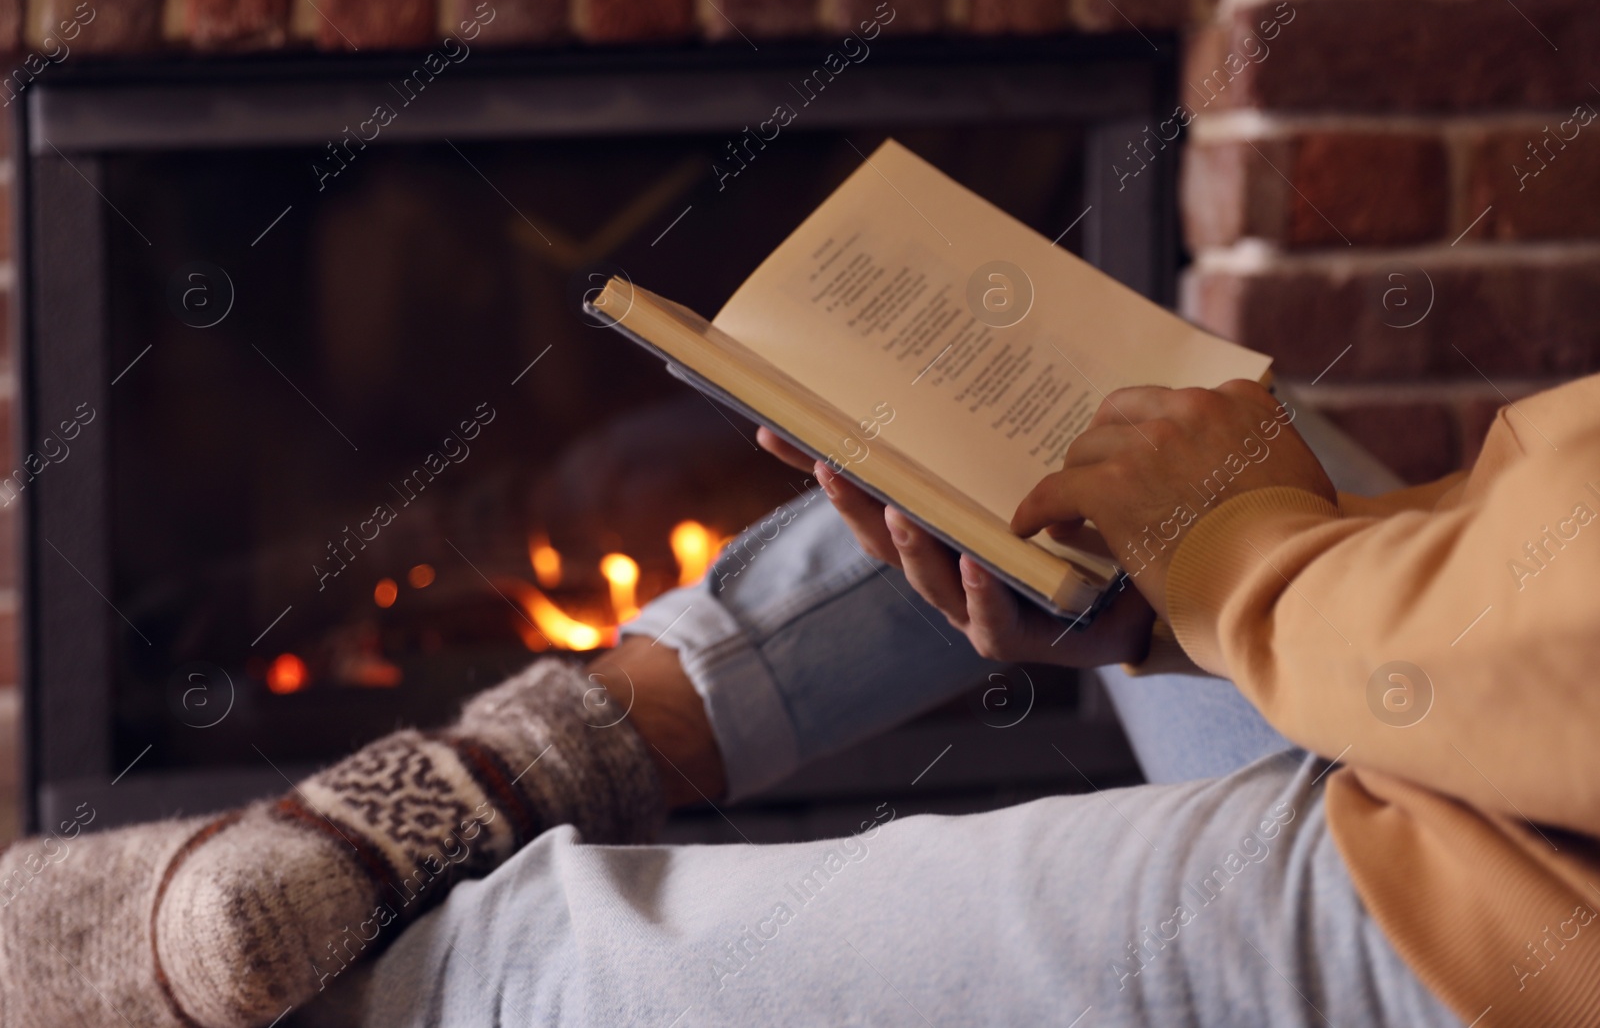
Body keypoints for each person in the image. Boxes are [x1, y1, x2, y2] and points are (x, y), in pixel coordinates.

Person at [5, 377, 1598, 1027]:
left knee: (514, 972)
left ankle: (359, 955)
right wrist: (1194, 608)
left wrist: (1250, 561)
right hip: (1504, 699)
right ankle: (521, 757)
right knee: (1061, 436)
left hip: (1511, 890)